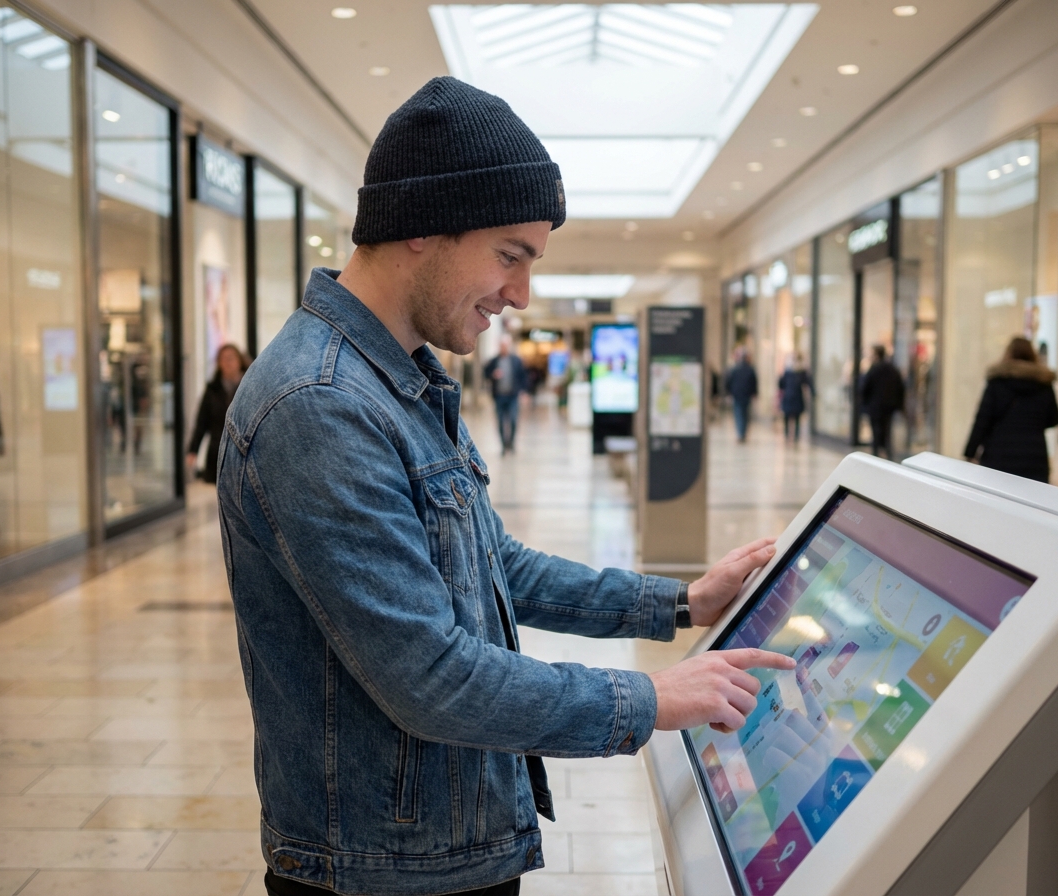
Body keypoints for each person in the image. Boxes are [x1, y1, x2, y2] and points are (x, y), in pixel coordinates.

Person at [216, 77, 794, 896]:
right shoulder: (319, 407)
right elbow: (431, 677)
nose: (520, 295)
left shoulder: (398, 381)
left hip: (439, 852)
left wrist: (677, 604)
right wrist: (649, 699)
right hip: (386, 876)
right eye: (509, 255)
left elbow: (496, 566)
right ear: (420, 228)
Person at [964, 337, 1058, 482]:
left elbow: (982, 419)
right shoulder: (1044, 384)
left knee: (995, 501)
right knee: (1031, 501)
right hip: (1034, 456)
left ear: (1008, 354)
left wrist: (970, 452)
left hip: (998, 454)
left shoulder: (997, 381)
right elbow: (1053, 418)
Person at [186, 343, 248, 484]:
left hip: (244, 450)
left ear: (239, 361)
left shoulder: (249, 386)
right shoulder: (212, 389)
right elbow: (202, 422)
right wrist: (193, 450)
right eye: (224, 359)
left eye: (231, 358)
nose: (228, 363)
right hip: (219, 450)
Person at [860, 345, 905, 460]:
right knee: (886, 430)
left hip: (875, 406)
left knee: (876, 431)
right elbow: (901, 388)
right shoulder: (893, 369)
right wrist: (898, 404)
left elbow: (864, 387)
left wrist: (864, 402)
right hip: (889, 406)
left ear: (876, 355)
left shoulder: (874, 369)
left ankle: (877, 454)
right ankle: (887, 453)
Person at [483, 335, 526, 454]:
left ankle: (511, 443)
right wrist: (493, 375)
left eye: (505, 346)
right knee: (501, 421)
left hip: (513, 396)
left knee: (513, 419)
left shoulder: (516, 360)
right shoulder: (494, 361)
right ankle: (503, 445)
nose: (503, 348)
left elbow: (522, 376)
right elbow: (486, 374)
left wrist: (524, 391)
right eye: (501, 346)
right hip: (499, 396)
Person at [724, 346, 758, 442]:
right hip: (746, 395)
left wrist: (728, 393)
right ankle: (743, 433)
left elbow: (728, 382)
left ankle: (740, 434)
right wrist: (754, 394)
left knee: (738, 414)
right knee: (745, 415)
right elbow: (754, 383)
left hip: (737, 395)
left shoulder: (734, 369)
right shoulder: (750, 369)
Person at [778, 353, 812, 442]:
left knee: (793, 418)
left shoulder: (793, 372)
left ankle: (791, 436)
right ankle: (790, 436)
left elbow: (781, 384)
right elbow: (781, 384)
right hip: (793, 397)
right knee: (791, 418)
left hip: (792, 397)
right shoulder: (795, 372)